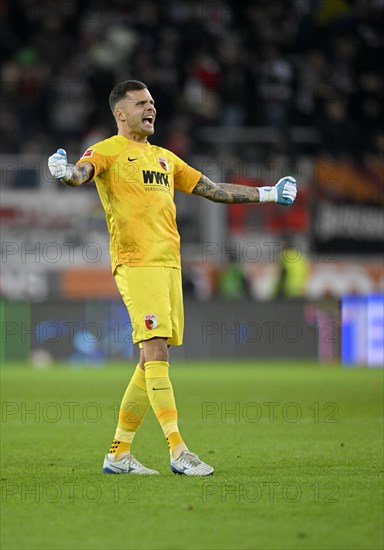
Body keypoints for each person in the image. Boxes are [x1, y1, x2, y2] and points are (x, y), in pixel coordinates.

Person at [48, 80, 297, 476]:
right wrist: (64, 172)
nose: (151, 109)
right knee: (157, 348)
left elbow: (213, 190)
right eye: (141, 103)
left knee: (151, 361)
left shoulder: (165, 158)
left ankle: (118, 454)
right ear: (120, 113)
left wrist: (268, 193)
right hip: (136, 262)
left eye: (153, 103)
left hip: (168, 265)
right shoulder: (107, 151)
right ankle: (179, 451)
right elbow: (80, 174)